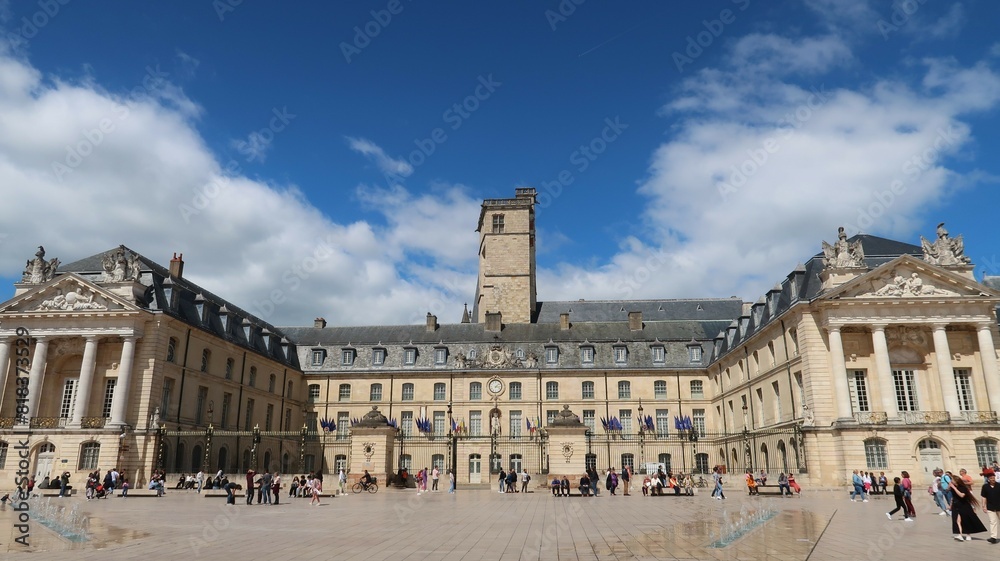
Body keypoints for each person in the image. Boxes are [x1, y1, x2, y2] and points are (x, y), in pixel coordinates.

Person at [981, 471, 1000, 544]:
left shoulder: (999, 485)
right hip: (990, 507)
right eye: (991, 478)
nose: (993, 479)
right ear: (988, 479)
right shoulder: (985, 487)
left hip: (999, 506)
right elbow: (984, 497)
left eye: (993, 477)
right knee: (992, 522)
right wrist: (983, 506)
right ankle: (993, 537)